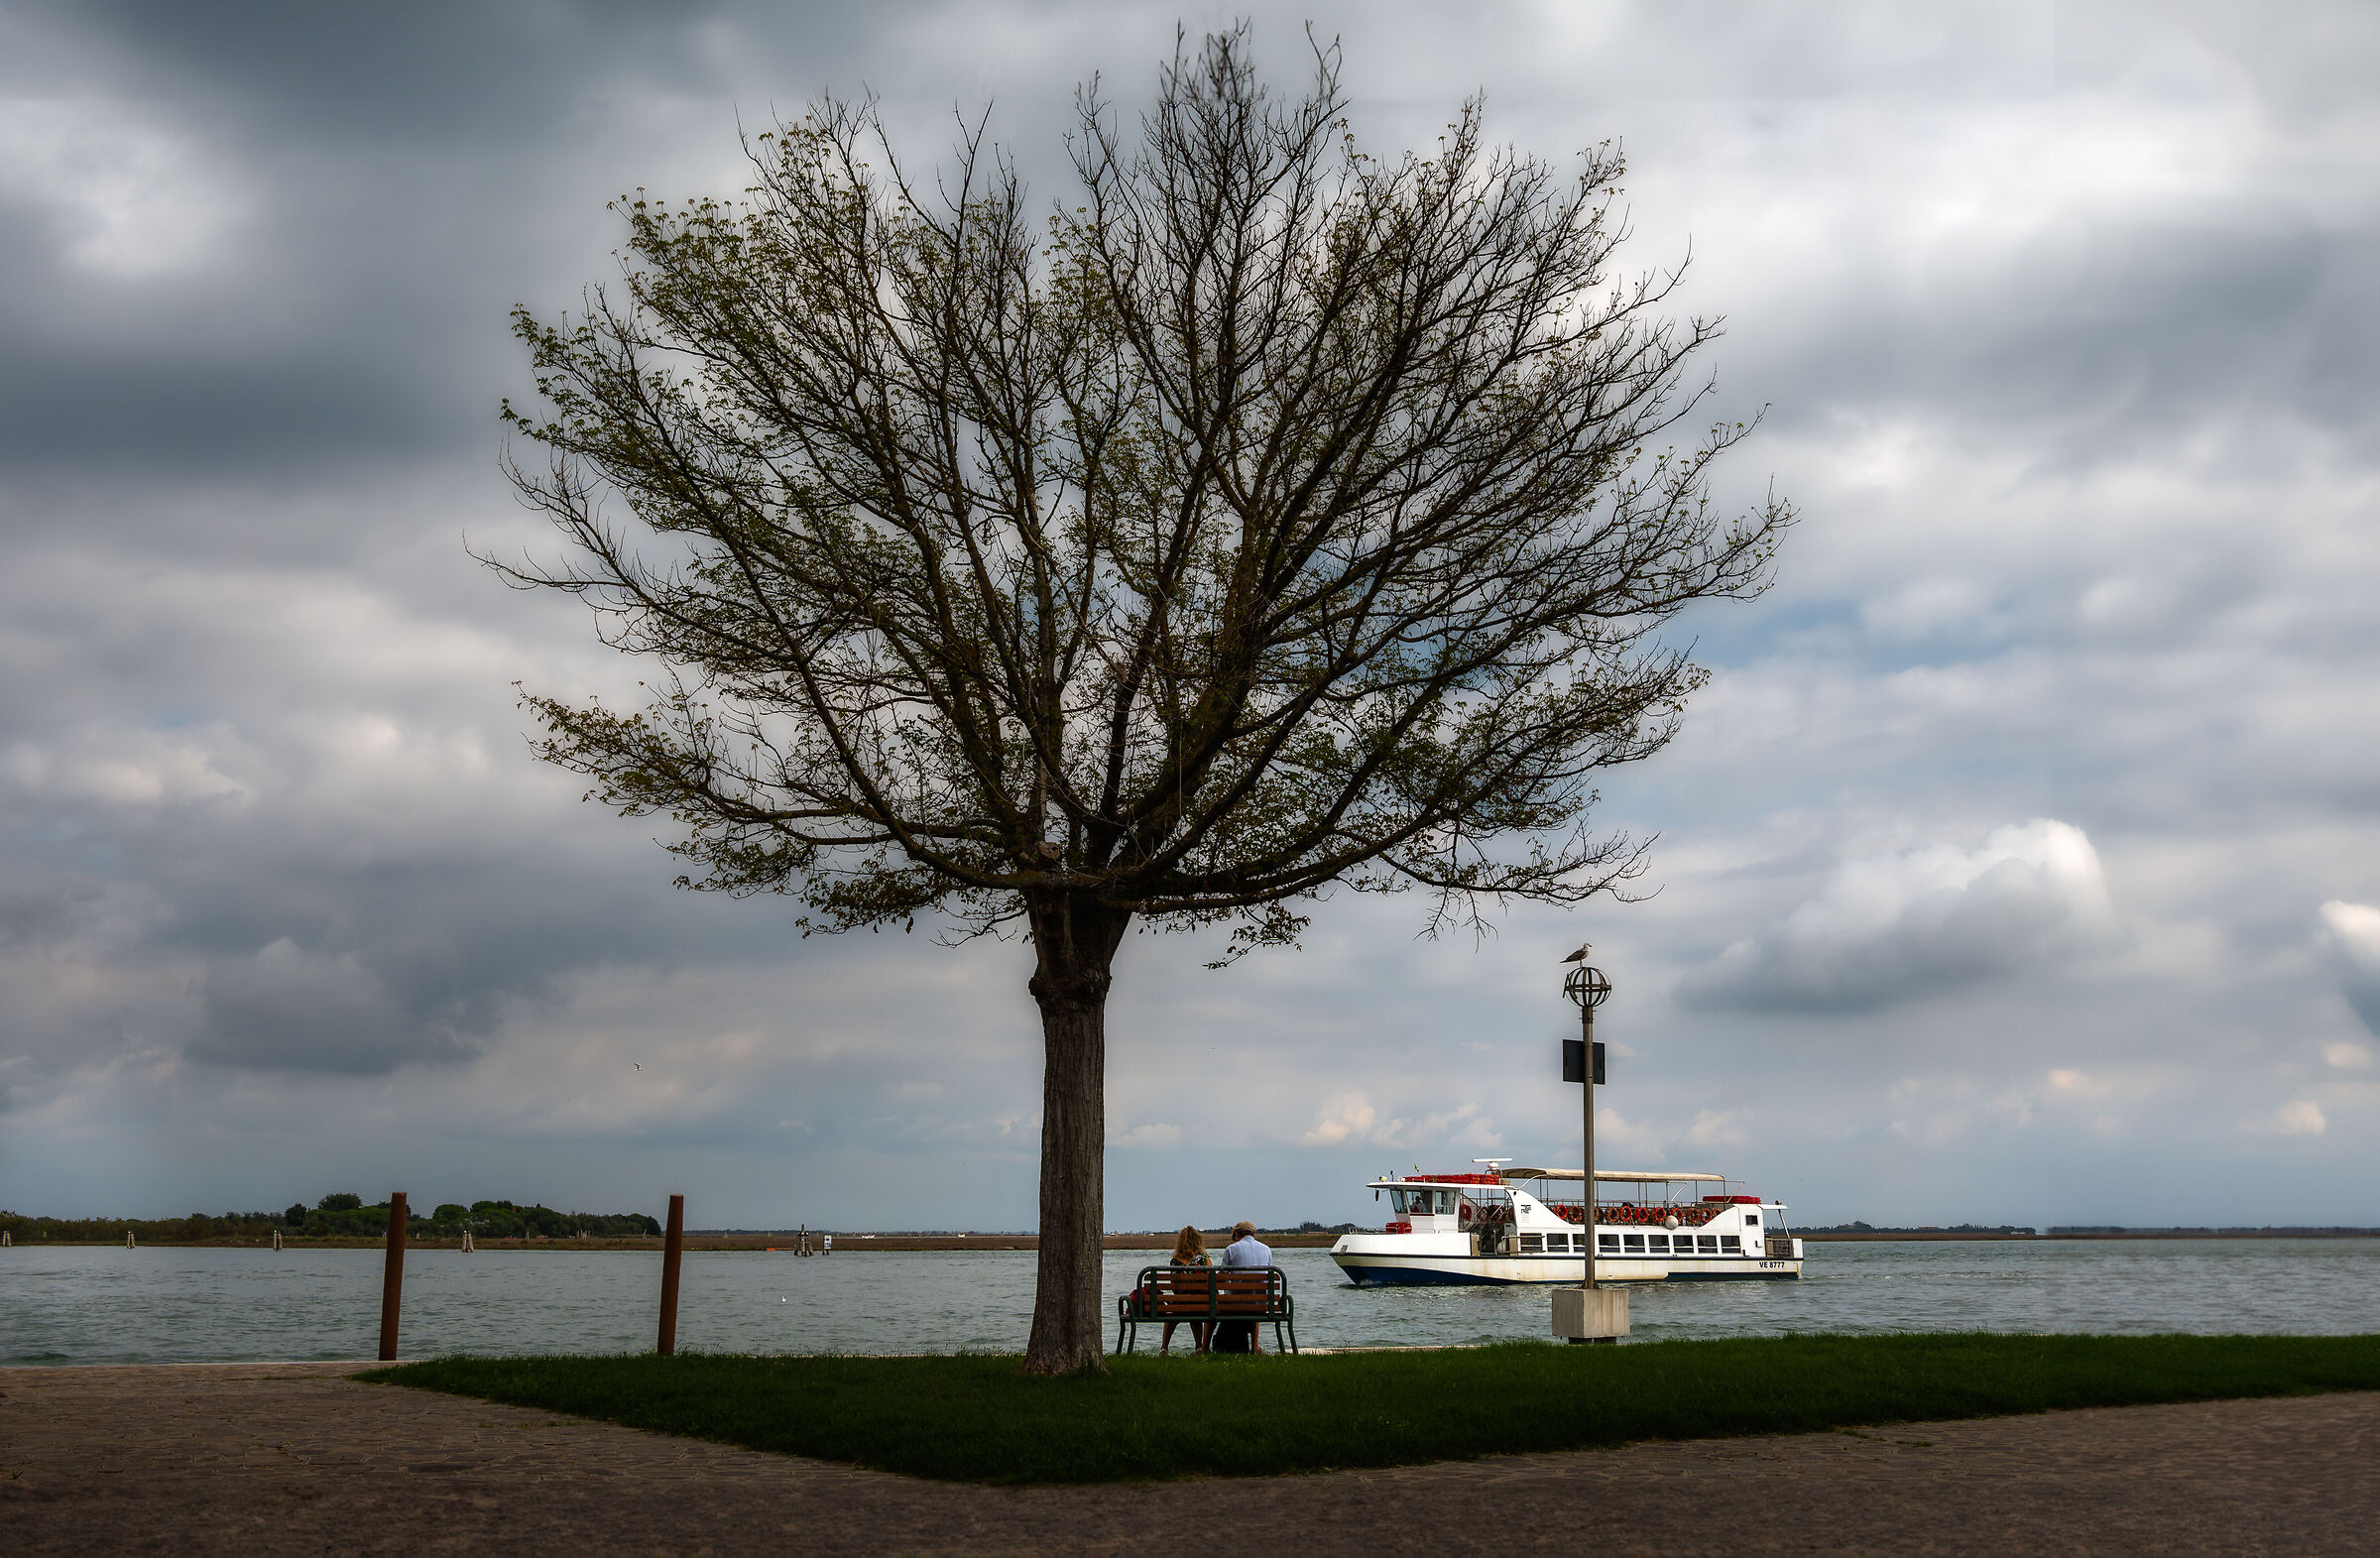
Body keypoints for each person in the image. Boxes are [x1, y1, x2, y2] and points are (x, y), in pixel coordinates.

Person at [1212, 1220, 1273, 1355]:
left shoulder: (1231, 1249)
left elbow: (1221, 1277)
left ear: (1237, 1234)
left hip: (1236, 1304)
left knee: (1233, 1297)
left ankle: (1204, 1347)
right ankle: (1255, 1346)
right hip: (1261, 1305)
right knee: (1255, 1295)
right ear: (1252, 1234)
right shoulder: (1266, 1249)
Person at [1159, 1225, 1210, 1355]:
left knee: (1174, 1312)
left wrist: (1183, 1297)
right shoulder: (1204, 1259)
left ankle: (1164, 1348)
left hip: (1181, 1303)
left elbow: (1174, 1286)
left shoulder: (1175, 1262)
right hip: (1201, 1303)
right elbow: (1210, 1281)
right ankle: (1199, 1347)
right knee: (1195, 1312)